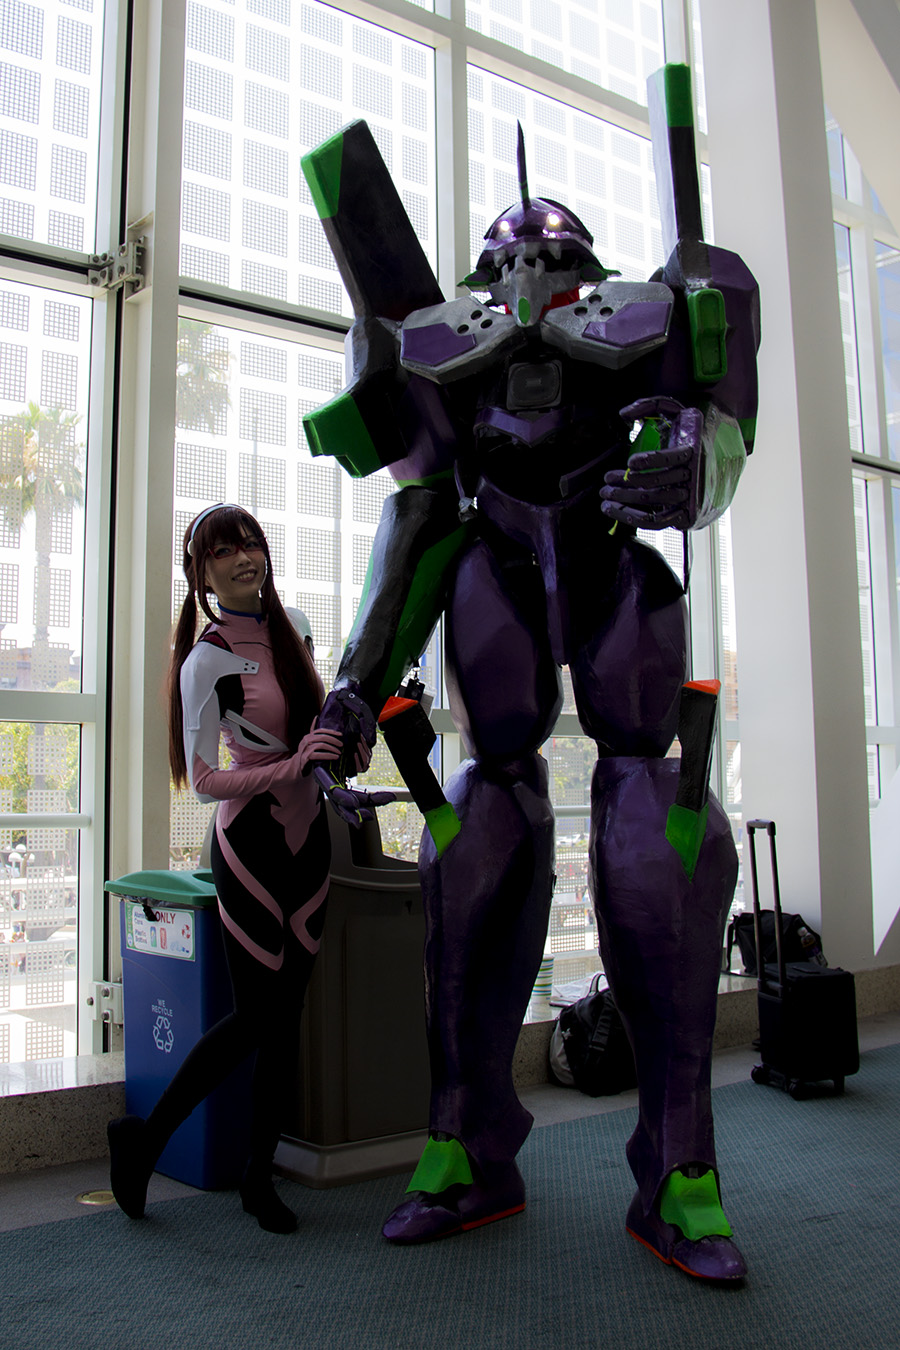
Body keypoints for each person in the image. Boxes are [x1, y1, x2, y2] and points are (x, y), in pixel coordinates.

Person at [302, 70, 758, 1282]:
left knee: (659, 842)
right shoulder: (439, 362)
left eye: (552, 259)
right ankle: (467, 1147)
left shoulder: (649, 334)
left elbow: (719, 432)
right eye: (510, 260)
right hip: (493, 590)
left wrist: (694, 455)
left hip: (618, 585)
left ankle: (681, 1168)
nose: (529, 278)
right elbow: (417, 516)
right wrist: (355, 685)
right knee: (473, 847)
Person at [107, 503, 366, 1233]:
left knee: (285, 1021)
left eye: (251, 543)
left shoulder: (291, 635)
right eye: (223, 552)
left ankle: (257, 1176)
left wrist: (345, 753)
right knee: (257, 1015)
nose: (243, 558)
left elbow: (313, 744)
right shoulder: (208, 657)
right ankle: (146, 1140)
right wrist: (293, 765)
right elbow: (203, 780)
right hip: (248, 847)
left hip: (310, 842)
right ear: (202, 574)